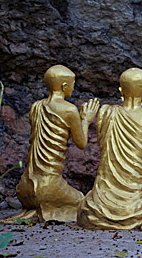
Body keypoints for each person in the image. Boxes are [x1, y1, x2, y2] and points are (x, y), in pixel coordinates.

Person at [77, 68, 142, 231]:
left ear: (120, 90)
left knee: (83, 206)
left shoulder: (105, 112)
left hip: (99, 203)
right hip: (134, 203)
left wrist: (85, 120)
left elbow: (104, 147)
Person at [15, 65, 99, 222]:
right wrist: (86, 120)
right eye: (72, 84)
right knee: (83, 201)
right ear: (64, 86)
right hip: (49, 186)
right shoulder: (69, 110)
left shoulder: (36, 107)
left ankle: (36, 208)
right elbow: (81, 143)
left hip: (24, 187)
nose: (73, 88)